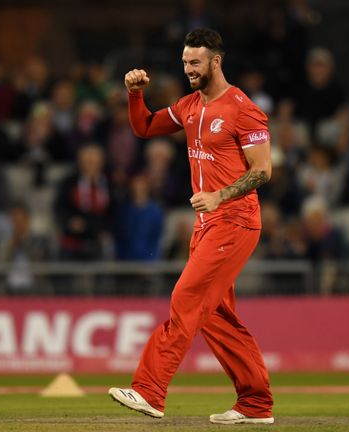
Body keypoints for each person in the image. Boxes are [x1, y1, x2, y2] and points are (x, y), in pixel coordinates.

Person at [108, 28, 274, 425]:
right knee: (216, 317)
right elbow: (144, 127)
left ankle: (149, 390)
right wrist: (134, 94)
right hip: (206, 225)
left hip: (235, 221)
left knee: (186, 297)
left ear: (216, 61)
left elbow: (263, 170)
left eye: (195, 62)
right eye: (185, 62)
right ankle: (255, 404)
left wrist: (220, 196)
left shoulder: (243, 108)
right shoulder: (189, 106)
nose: (188, 69)